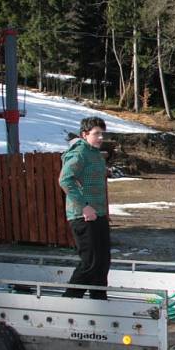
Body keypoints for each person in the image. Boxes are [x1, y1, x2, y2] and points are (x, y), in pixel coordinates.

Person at [59, 117, 111, 299]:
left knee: (103, 262)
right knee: (90, 262)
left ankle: (99, 300)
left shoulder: (95, 154)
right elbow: (65, 179)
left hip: (99, 215)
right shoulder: (79, 152)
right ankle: (70, 301)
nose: (101, 137)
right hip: (83, 216)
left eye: (102, 133)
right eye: (97, 133)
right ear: (84, 134)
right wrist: (84, 207)